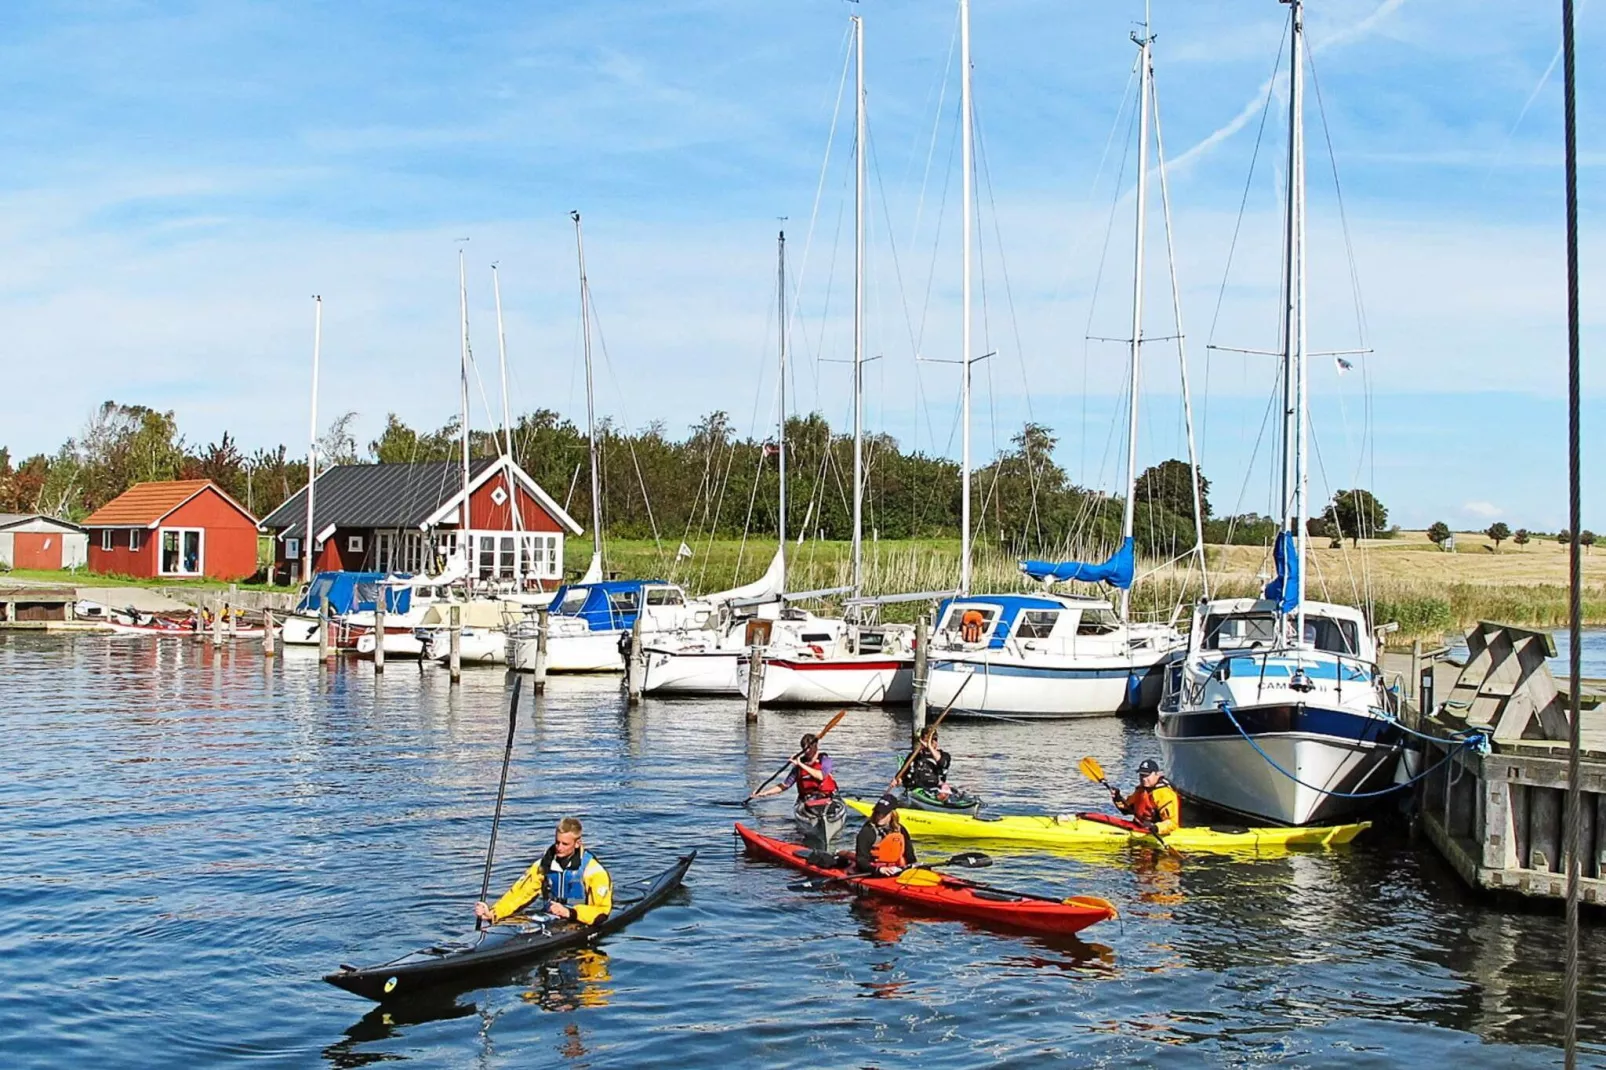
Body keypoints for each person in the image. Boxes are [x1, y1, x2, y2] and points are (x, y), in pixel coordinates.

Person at [474, 816, 613, 926]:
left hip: (579, 919)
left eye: (565, 844)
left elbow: (602, 912)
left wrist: (569, 912)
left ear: (577, 844)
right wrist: (493, 913)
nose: (559, 847)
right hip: (550, 918)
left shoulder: (594, 871)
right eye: (557, 842)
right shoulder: (543, 865)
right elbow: (518, 895)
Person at [751, 732, 838, 805]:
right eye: (804, 749)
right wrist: (764, 793)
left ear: (815, 747)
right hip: (807, 801)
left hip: (827, 797)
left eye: (809, 748)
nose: (807, 751)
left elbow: (821, 776)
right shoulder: (798, 767)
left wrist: (800, 764)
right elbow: (785, 785)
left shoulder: (825, 760)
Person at [1110, 758, 1181, 836]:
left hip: (1157, 832)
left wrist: (1156, 827)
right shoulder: (1141, 790)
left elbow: (1172, 823)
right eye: (1141, 775)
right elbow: (1126, 809)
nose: (1144, 779)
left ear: (1157, 774)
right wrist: (1117, 797)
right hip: (1139, 827)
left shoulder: (1164, 793)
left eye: (1147, 776)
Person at [855, 793, 917, 876]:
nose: (879, 817)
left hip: (897, 870)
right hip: (875, 871)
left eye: (884, 814)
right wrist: (879, 870)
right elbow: (861, 860)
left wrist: (914, 866)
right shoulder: (867, 831)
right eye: (878, 813)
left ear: (892, 814)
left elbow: (910, 855)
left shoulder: (900, 829)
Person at [900, 728, 952, 797]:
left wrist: (930, 747)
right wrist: (897, 780)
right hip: (916, 789)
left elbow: (942, 763)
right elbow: (902, 775)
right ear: (922, 740)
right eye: (928, 740)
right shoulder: (914, 756)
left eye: (933, 740)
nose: (931, 742)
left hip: (936, 789)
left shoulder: (945, 756)